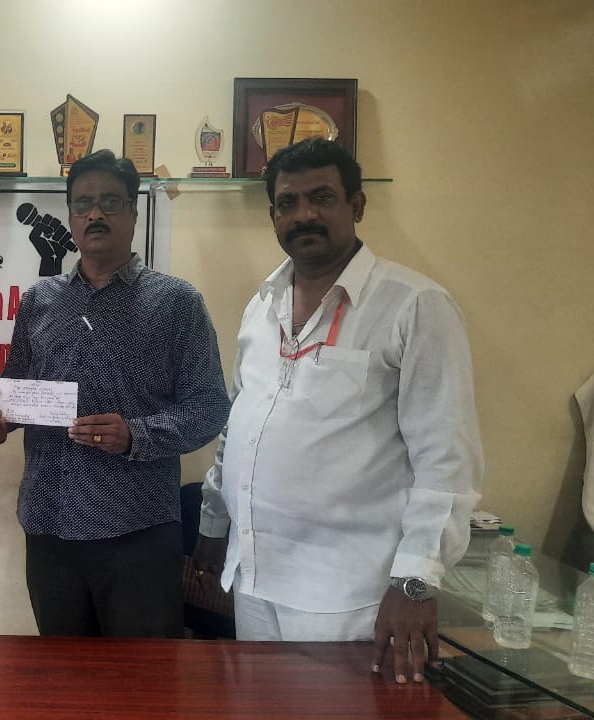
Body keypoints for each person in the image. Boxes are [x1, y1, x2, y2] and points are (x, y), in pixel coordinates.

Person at [194, 138, 483, 684]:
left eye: (322, 197)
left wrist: (416, 583)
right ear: (274, 216)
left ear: (357, 205)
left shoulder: (414, 306)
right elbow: (240, 425)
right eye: (288, 202)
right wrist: (214, 522)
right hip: (253, 582)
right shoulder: (262, 306)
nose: (304, 214)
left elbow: (447, 460)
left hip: (348, 597)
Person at [0, 149, 232, 639]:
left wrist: (136, 435)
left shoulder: (177, 303)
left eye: (110, 202)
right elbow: (21, 399)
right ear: (70, 216)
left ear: (133, 212)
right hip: (49, 525)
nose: (95, 213)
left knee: (141, 677)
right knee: (63, 674)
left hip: (137, 530)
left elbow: (210, 408)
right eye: (83, 203)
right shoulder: (40, 300)